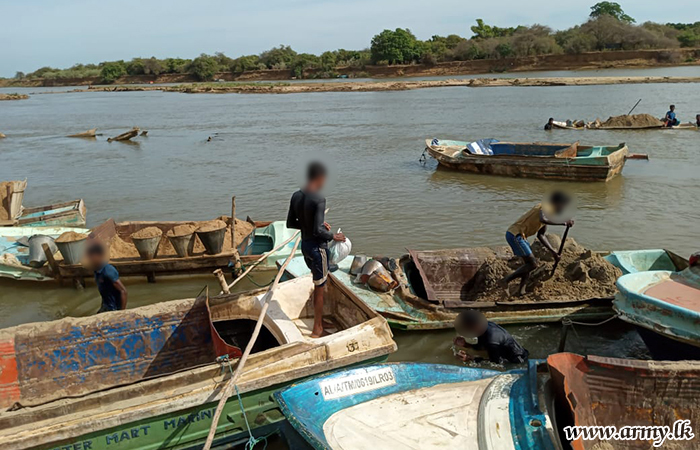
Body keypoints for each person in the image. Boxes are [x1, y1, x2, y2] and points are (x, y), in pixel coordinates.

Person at [287, 161, 345, 338]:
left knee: (317, 284)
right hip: (317, 249)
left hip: (305, 247)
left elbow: (291, 223)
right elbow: (318, 231)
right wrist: (333, 236)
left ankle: (319, 320)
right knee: (320, 288)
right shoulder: (319, 198)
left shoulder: (296, 195)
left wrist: (312, 225)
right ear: (319, 177)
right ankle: (317, 329)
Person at [502, 191, 574, 296]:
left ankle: (521, 291)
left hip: (521, 236)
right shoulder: (545, 207)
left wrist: (554, 253)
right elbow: (542, 219)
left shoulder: (549, 213)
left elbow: (541, 235)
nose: (563, 208)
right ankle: (506, 280)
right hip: (515, 235)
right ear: (558, 203)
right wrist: (563, 223)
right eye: (563, 205)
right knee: (533, 263)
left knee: (529, 264)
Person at [453, 310, 528, 364]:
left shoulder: (492, 340)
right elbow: (482, 345)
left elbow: (495, 364)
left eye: (466, 328)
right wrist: (465, 344)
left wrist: (470, 359)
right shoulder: (484, 326)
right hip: (502, 349)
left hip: (517, 361)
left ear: (474, 326)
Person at [86, 241, 128, 313]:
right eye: (89, 257)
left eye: (92, 257)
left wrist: (121, 313)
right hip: (106, 305)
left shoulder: (108, 271)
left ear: (100, 256)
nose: (90, 260)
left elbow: (123, 291)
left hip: (114, 308)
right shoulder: (96, 269)